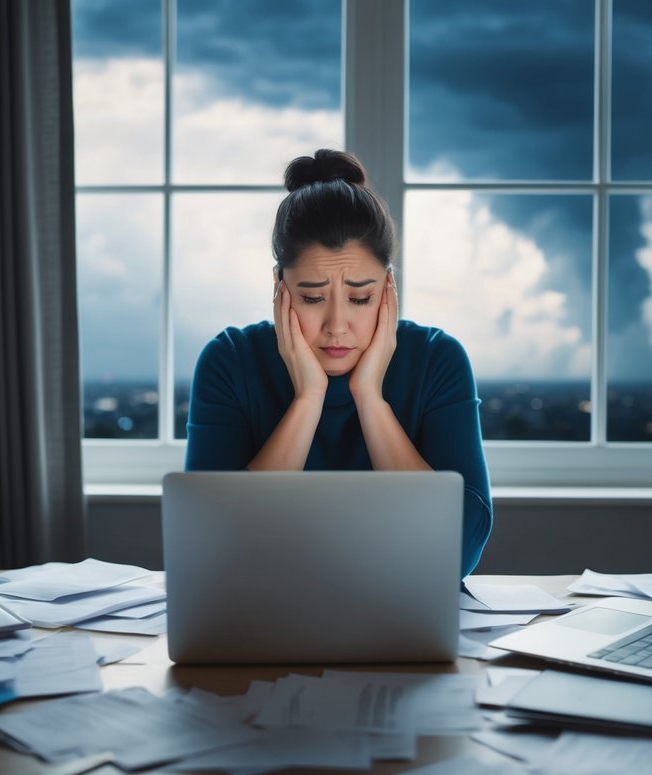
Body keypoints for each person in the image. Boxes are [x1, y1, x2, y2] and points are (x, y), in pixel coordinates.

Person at [184, 149, 492, 578]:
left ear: (388, 288)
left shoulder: (438, 360)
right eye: (312, 297)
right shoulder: (230, 361)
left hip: (405, 623)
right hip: (261, 627)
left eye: (360, 298)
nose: (336, 326)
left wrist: (370, 398)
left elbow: (457, 552)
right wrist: (308, 398)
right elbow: (212, 550)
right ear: (280, 287)